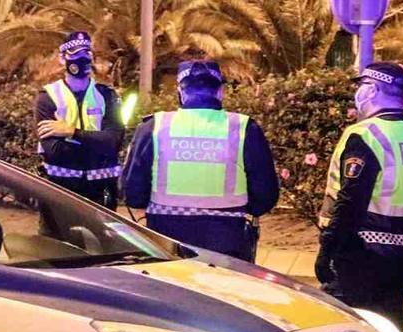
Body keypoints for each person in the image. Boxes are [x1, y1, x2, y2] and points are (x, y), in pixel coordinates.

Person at [315, 62, 403, 332]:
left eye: (361, 86)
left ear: (373, 89)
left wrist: (328, 250)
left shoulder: (366, 135)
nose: (358, 92)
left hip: (361, 252)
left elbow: (350, 201)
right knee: (390, 330)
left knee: (349, 331)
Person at [120, 60, 278, 262]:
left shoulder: (154, 127)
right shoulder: (244, 128)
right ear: (220, 91)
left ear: (180, 91)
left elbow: (132, 192)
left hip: (166, 240)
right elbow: (265, 195)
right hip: (227, 240)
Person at [35, 31, 124, 209]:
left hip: (102, 190)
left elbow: (114, 142)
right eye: (75, 53)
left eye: (86, 53)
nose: (81, 58)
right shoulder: (48, 97)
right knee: (57, 238)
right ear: (62, 58)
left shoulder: (106, 94)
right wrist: (98, 143)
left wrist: (71, 132)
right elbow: (54, 151)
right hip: (60, 189)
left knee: (105, 238)